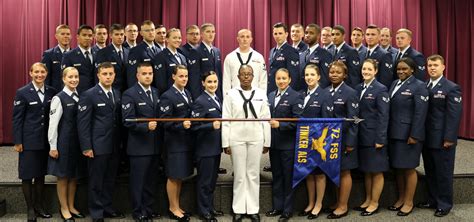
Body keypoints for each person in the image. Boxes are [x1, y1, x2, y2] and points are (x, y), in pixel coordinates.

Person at [222, 65, 270, 222]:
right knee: (240, 175)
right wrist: (225, 142)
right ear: (238, 76)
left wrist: (267, 141)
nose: (246, 77)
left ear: (253, 76)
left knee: (253, 174)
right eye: (243, 74)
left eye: (249, 74)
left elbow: (266, 119)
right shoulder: (231, 95)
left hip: (256, 137)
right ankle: (239, 209)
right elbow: (226, 119)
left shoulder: (261, 94)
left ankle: (253, 209)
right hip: (236, 138)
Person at [77, 62, 124, 222]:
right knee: (96, 180)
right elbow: (83, 123)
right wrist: (86, 147)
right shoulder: (89, 94)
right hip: (97, 146)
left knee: (110, 179)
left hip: (114, 145)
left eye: (111, 73)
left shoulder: (117, 93)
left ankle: (107, 207)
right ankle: (96, 211)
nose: (108, 76)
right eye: (105, 74)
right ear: (98, 75)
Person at [417, 54, 462, 217]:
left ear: (443, 67)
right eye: (429, 65)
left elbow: (453, 116)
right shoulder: (423, 86)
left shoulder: (451, 87)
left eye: (435, 65)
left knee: (443, 172)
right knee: (430, 170)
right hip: (426, 137)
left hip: (443, 139)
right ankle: (432, 199)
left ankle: (445, 203)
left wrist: (449, 138)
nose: (432, 68)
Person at [13, 62, 56, 222]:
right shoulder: (22, 92)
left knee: (40, 175)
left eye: (42, 72)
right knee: (27, 175)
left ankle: (39, 206)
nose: (39, 75)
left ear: (46, 73)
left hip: (45, 141)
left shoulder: (52, 91)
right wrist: (18, 141)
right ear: (30, 73)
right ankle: (30, 208)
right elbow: (17, 119)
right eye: (36, 72)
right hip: (28, 141)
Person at [387, 57, 429, 216]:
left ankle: (409, 202)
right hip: (395, 133)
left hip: (409, 135)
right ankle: (401, 198)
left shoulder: (419, 86)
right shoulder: (394, 84)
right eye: (399, 69)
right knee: (398, 168)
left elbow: (420, 114)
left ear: (412, 70)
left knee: (409, 168)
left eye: (404, 69)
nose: (401, 71)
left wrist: (415, 135)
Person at [122, 62, 161, 221]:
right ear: (137, 75)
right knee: (138, 181)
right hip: (139, 147)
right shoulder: (129, 94)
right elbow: (128, 120)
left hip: (155, 146)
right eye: (144, 73)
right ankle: (138, 211)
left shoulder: (156, 92)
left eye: (150, 73)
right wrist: (146, 126)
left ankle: (148, 209)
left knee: (151, 180)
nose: (148, 76)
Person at [47, 67, 86, 221]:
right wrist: (53, 146)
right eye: (70, 77)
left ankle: (71, 206)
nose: (74, 80)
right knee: (63, 177)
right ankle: (63, 208)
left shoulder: (79, 96)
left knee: (74, 176)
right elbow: (53, 124)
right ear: (63, 79)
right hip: (63, 143)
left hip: (77, 143)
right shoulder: (59, 98)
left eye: (76, 76)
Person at [265, 68, 303, 222]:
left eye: (284, 78)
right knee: (277, 176)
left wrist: (280, 125)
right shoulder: (271, 95)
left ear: (289, 80)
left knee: (288, 177)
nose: (281, 81)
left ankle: (287, 210)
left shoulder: (296, 96)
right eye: (278, 78)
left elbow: (298, 121)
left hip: (288, 145)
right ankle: (277, 207)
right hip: (274, 144)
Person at [353, 59, 390, 216]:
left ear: (375, 71)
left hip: (374, 136)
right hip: (361, 135)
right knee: (367, 171)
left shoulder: (380, 89)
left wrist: (380, 139)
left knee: (376, 171)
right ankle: (368, 200)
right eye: (364, 69)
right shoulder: (358, 87)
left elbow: (383, 116)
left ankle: (375, 203)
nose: (366, 72)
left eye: (369, 69)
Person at [297, 64, 333, 220]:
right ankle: (310, 203)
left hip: (318, 141)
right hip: (304, 140)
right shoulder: (301, 94)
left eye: (312, 74)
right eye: (306, 75)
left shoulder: (325, 95)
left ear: (318, 77)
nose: (309, 77)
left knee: (318, 174)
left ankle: (318, 204)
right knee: (308, 174)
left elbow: (328, 121)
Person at [325, 60, 359, 219]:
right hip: (328, 140)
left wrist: (350, 142)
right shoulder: (325, 91)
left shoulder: (350, 92)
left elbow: (354, 120)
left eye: (338, 72)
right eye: (332, 72)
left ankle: (343, 205)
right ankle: (337, 202)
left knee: (344, 172)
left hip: (344, 139)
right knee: (334, 171)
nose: (334, 75)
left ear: (345, 75)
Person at [159, 65, 193, 221]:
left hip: (185, 141)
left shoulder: (187, 93)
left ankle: (177, 206)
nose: (184, 79)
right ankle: (173, 208)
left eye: (186, 76)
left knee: (180, 175)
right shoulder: (167, 96)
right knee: (173, 175)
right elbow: (165, 121)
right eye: (181, 76)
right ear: (173, 77)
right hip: (173, 142)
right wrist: (181, 125)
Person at [191, 71, 225, 222]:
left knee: (212, 181)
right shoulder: (200, 101)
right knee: (204, 181)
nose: (213, 85)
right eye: (209, 82)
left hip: (215, 147)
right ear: (203, 83)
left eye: (215, 82)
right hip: (205, 149)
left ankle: (210, 208)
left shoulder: (217, 98)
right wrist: (210, 126)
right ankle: (204, 211)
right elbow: (194, 126)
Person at [223, 29, 267, 96]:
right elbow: (226, 81)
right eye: (242, 36)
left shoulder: (259, 57)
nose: (245, 39)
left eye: (247, 37)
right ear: (238, 39)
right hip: (235, 97)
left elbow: (263, 81)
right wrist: (227, 99)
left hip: (255, 97)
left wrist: (262, 98)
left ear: (251, 39)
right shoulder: (230, 57)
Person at [61, 25, 96, 93]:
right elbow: (65, 78)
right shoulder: (69, 55)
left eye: (90, 35)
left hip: (96, 94)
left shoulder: (98, 53)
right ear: (77, 37)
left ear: (93, 37)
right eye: (84, 35)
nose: (87, 38)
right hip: (78, 93)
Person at [153, 28, 188, 94]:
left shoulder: (182, 57)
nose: (178, 40)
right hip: (168, 95)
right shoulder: (160, 57)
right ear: (167, 39)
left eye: (179, 38)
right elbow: (160, 83)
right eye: (174, 38)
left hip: (182, 94)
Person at [95, 23, 129, 91]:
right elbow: (99, 75)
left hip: (127, 90)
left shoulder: (128, 52)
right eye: (116, 34)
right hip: (111, 90)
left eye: (121, 34)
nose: (120, 37)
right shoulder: (103, 52)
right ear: (110, 35)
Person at [299, 24, 333, 89]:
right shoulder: (302, 54)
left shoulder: (325, 54)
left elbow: (325, 79)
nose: (307, 35)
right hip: (302, 93)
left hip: (317, 94)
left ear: (318, 36)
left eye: (311, 33)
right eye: (306, 33)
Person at [127, 20, 160, 87]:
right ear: (141, 33)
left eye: (152, 30)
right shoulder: (136, 51)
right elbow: (132, 76)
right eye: (147, 31)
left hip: (156, 90)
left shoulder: (159, 50)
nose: (151, 33)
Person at [268, 22, 300, 92]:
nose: (277, 36)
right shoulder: (272, 51)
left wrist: (288, 94)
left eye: (280, 33)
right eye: (275, 34)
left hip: (284, 91)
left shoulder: (291, 51)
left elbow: (293, 76)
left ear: (286, 34)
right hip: (272, 91)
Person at [42, 24, 71, 90]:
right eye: (63, 34)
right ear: (56, 36)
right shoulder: (49, 54)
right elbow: (46, 78)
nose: (66, 36)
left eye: (68, 34)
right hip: (55, 93)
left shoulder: (75, 54)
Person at [198, 23, 223, 99]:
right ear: (201, 34)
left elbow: (219, 73)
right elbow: (195, 77)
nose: (211, 34)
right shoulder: (196, 51)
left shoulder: (216, 51)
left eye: (213, 32)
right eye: (208, 32)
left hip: (217, 92)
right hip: (203, 92)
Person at [180, 25, 203, 100]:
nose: (195, 36)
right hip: (189, 86)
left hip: (203, 86)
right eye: (192, 34)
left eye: (197, 34)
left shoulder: (203, 50)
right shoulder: (181, 50)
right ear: (186, 36)